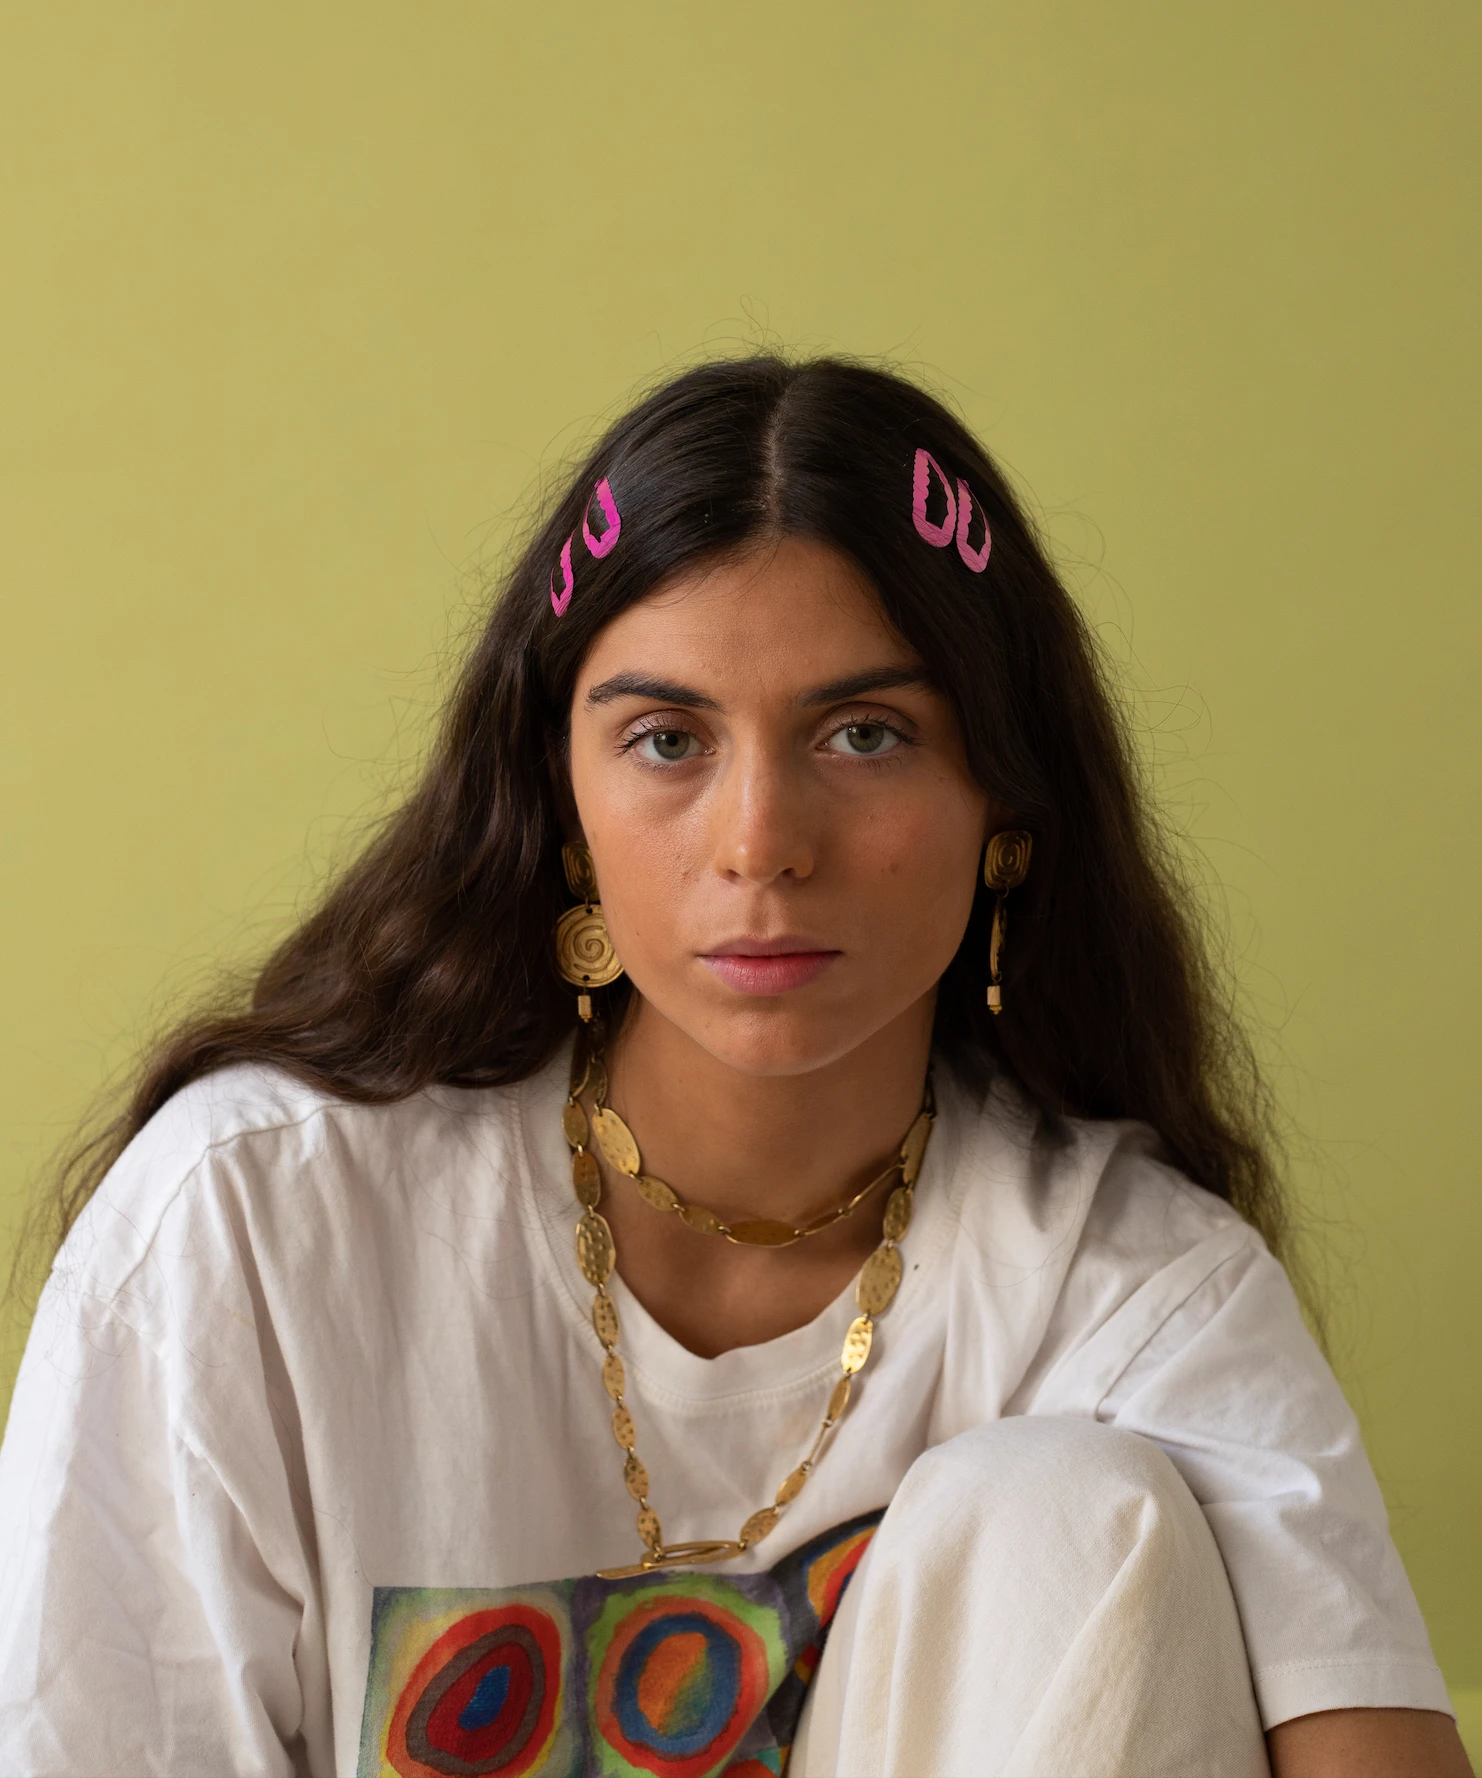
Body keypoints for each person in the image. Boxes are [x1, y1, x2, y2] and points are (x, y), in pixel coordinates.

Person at [0, 357, 1468, 1778]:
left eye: (865, 734)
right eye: (666, 739)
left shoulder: (1134, 1284)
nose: (761, 840)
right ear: (558, 800)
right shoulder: (250, 1223)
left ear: (1004, 805)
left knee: (1070, 1509)